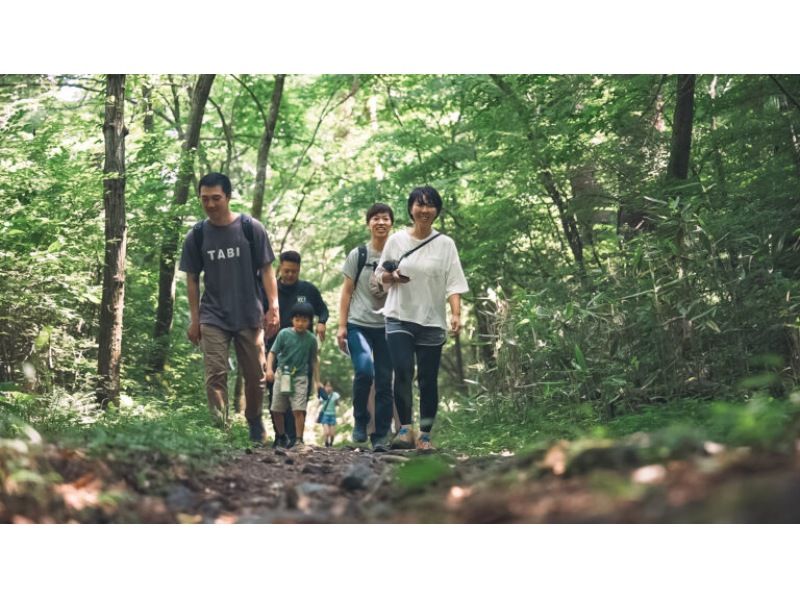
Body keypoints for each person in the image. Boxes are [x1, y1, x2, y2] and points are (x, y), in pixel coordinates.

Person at [179, 172, 280, 445]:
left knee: (256, 376)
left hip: (249, 313)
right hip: (213, 315)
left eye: (216, 198)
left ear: (228, 197)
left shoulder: (250, 228)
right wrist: (195, 319)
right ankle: (220, 428)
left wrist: (274, 306)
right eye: (204, 199)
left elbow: (267, 269)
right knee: (215, 373)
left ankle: (254, 420)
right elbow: (191, 278)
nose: (210, 204)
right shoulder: (197, 235)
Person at [377, 186, 468, 452]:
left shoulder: (446, 244)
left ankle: (425, 434)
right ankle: (405, 429)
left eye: (430, 205)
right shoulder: (396, 241)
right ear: (411, 208)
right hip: (399, 316)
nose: (424, 210)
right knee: (403, 370)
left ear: (437, 210)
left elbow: (454, 283)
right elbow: (379, 276)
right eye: (419, 204)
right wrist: (392, 277)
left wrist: (456, 313)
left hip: (431, 320)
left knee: (427, 379)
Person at [336, 203, 395, 451]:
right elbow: (346, 292)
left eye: (385, 218)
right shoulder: (358, 254)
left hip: (389, 326)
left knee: (384, 381)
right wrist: (341, 326)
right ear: (368, 223)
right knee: (364, 371)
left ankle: (380, 435)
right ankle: (360, 421)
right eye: (375, 219)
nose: (380, 222)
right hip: (358, 324)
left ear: (392, 223)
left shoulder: (399, 254)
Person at [266, 250, 329, 447]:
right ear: (280, 268)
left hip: (303, 354)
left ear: (299, 269)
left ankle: (295, 439)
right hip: (278, 351)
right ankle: (280, 436)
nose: (290, 275)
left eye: (294, 271)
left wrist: (322, 322)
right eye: (286, 271)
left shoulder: (308, 290)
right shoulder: (271, 288)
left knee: (297, 399)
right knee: (278, 397)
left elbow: (323, 309)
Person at [266, 302, 321, 451]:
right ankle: (282, 436)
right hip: (282, 375)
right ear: (292, 320)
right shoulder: (284, 334)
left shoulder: (311, 339)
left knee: (298, 409)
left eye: (304, 320)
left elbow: (314, 360)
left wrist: (317, 382)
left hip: (300, 377)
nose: (300, 323)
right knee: (277, 409)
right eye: (297, 320)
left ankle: (298, 440)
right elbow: (272, 353)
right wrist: (269, 370)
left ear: (309, 322)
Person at [317, 381, 340, 447]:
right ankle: (326, 444)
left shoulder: (335, 395)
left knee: (332, 434)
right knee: (327, 432)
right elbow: (318, 404)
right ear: (324, 387)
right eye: (327, 386)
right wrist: (315, 414)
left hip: (333, 415)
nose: (328, 388)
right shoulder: (323, 395)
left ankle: (331, 444)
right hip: (325, 415)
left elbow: (338, 404)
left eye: (330, 386)